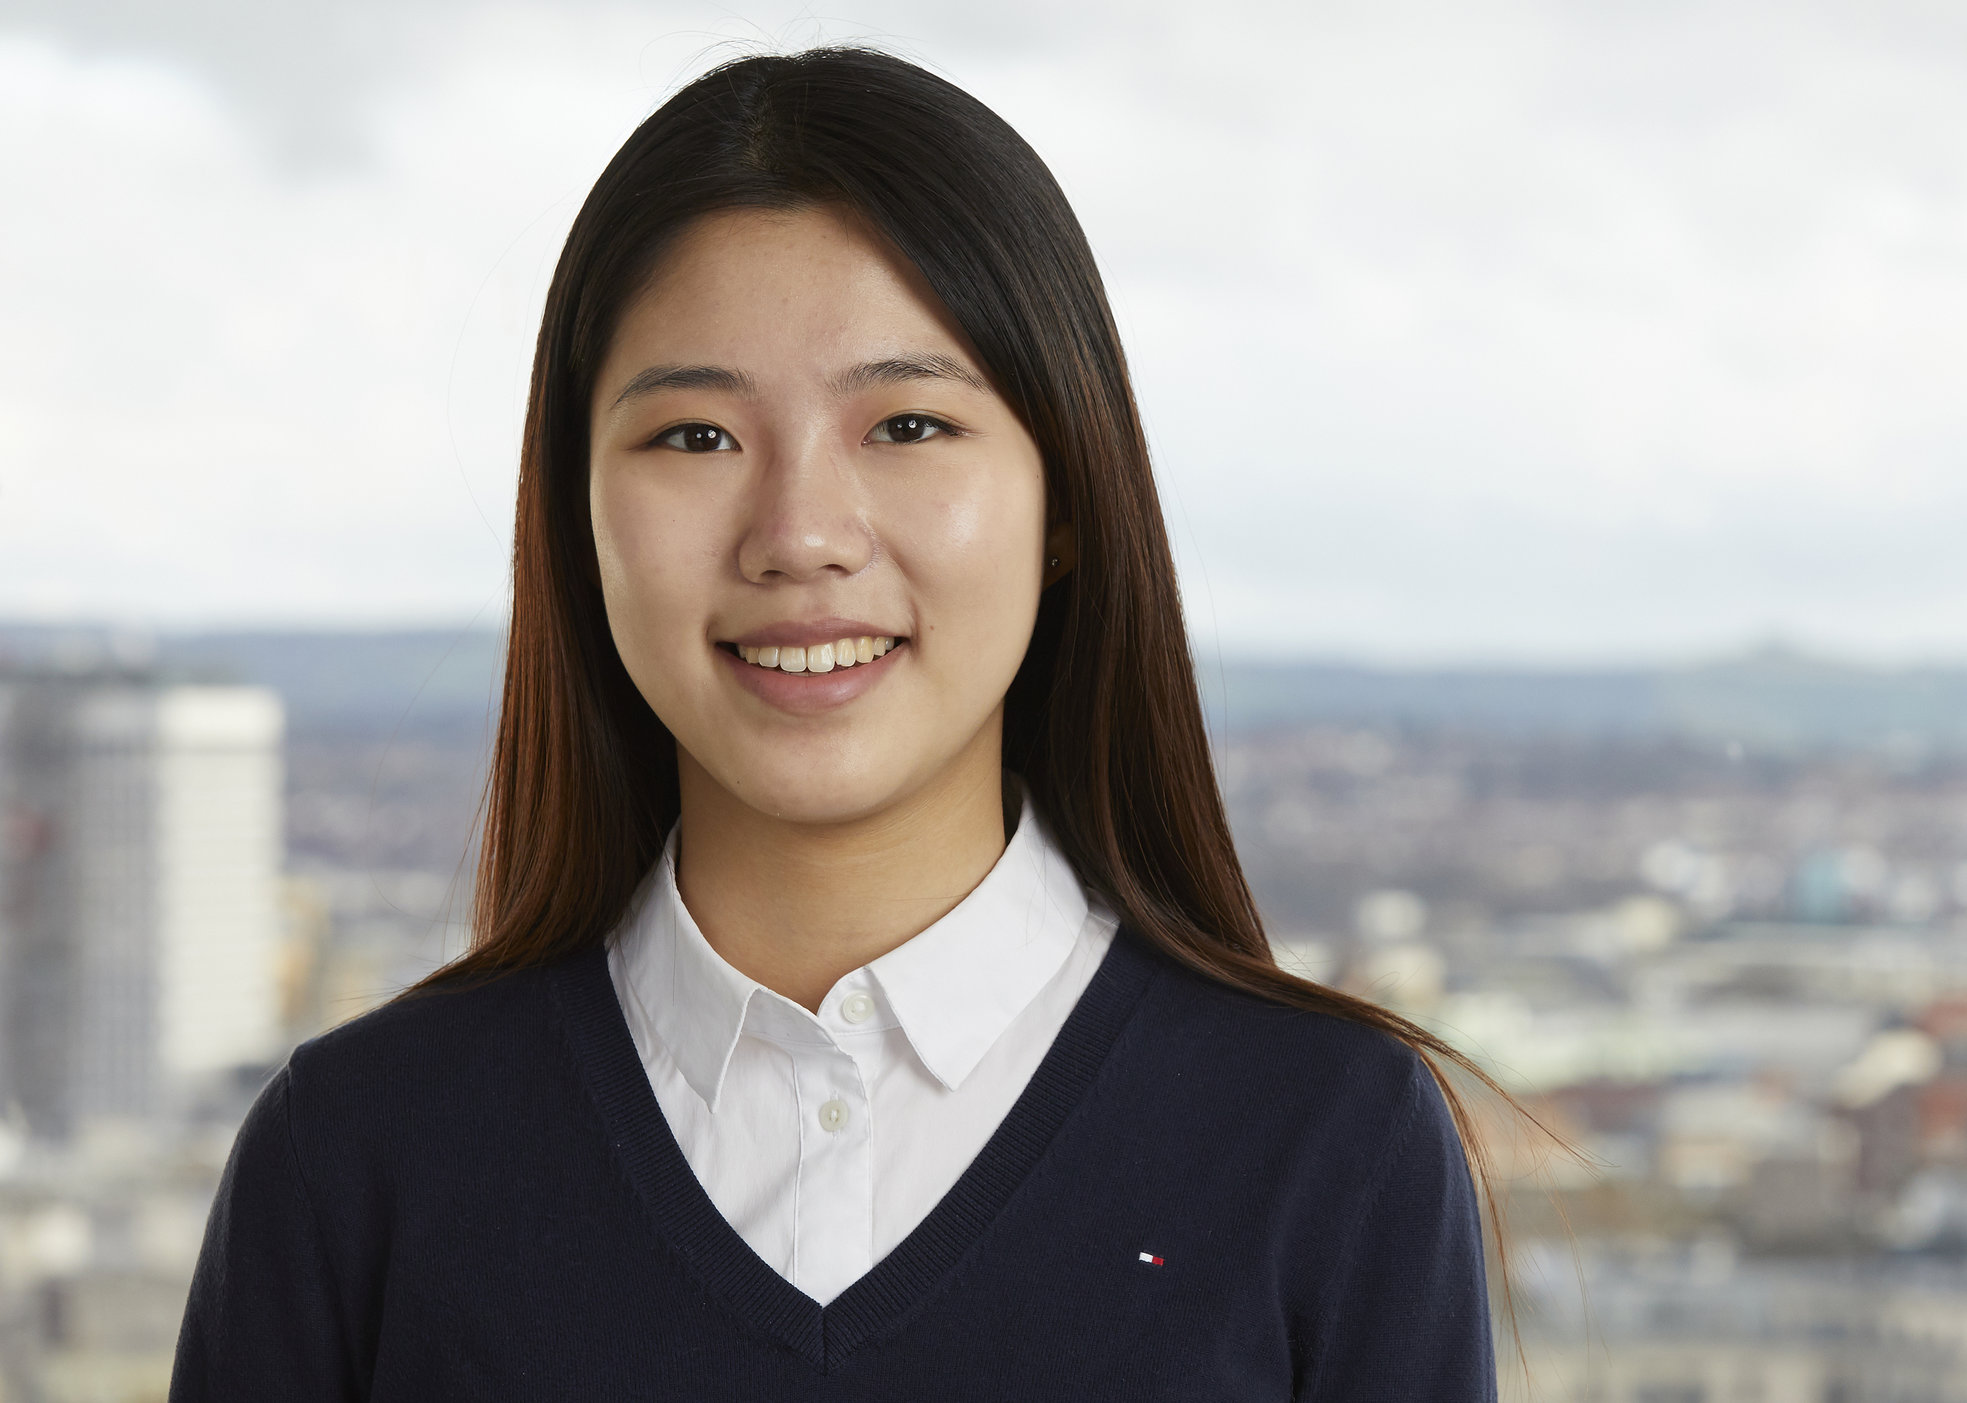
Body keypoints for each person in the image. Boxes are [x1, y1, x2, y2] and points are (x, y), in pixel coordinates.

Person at [171, 45, 1501, 1400]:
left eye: (909, 424)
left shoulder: (1326, 1145)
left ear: (1068, 504)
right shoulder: (358, 1162)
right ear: (576, 525)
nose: (800, 536)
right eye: (695, 438)